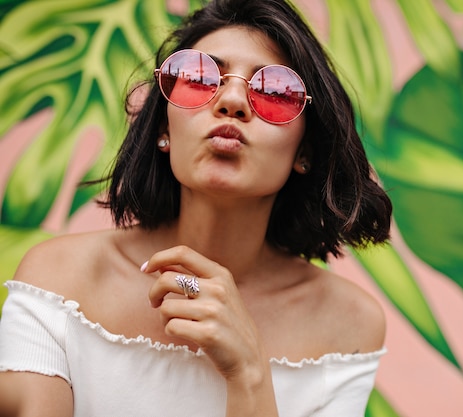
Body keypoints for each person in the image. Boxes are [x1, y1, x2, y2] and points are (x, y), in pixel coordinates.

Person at [0, 0, 392, 415]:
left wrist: (249, 371)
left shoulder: (348, 323)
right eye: (198, 77)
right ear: (163, 129)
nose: (233, 102)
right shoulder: (61, 279)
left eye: (275, 90)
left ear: (305, 151)